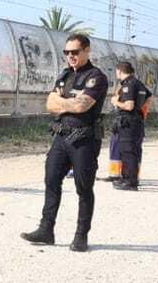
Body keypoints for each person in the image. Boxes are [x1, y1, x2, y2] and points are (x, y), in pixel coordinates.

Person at [21, 33, 108, 252]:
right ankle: (46, 229)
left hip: (84, 139)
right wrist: (68, 102)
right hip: (61, 136)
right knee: (51, 180)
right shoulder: (65, 75)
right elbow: (50, 103)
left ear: (87, 51)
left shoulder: (96, 77)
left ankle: (81, 236)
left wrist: (64, 102)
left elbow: (82, 107)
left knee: (83, 187)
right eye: (67, 52)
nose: (71, 56)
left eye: (75, 52)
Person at [111, 60, 152, 190]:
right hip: (135, 121)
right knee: (130, 151)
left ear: (119, 71)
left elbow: (129, 106)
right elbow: (149, 97)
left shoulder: (128, 85)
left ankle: (130, 182)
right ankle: (126, 179)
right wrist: (142, 111)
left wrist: (116, 102)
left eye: (116, 71)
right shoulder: (138, 83)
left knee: (128, 152)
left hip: (128, 122)